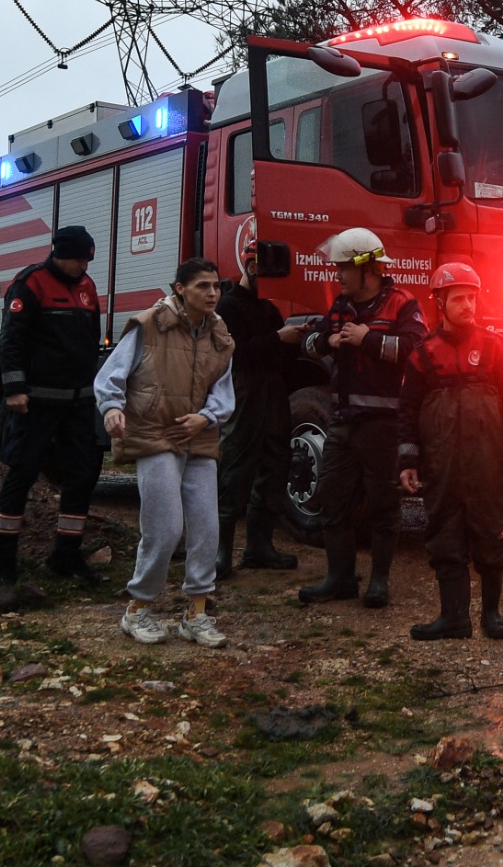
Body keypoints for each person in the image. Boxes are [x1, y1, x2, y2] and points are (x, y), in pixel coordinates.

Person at [94, 258, 236, 647]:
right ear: (180, 289)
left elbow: (224, 390)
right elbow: (111, 375)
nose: (212, 293)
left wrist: (206, 417)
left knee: (206, 528)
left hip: (199, 438)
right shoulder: (149, 325)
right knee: (165, 528)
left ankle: (196, 614)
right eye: (203, 286)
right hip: (156, 434)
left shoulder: (220, 334)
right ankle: (138, 608)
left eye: (216, 286)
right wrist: (112, 408)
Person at [292, 228, 425, 608]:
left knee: (383, 506)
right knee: (332, 501)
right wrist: (327, 341)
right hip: (342, 423)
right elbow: (310, 342)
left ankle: (379, 582)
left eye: (343, 268)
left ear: (367, 269)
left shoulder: (402, 304)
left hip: (382, 425)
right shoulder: (341, 306)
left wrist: (369, 339)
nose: (337, 275)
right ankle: (340, 579)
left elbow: (417, 351)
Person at [397, 261, 503, 640]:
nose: (468, 305)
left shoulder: (495, 347)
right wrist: (408, 460)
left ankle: (492, 616)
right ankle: (453, 618)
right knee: (445, 536)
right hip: (442, 466)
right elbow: (407, 411)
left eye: (472, 298)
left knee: (491, 533)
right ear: (440, 303)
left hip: (487, 464)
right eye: (459, 299)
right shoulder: (422, 354)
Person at [0, 224, 104, 585]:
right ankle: (3, 563)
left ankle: (66, 556)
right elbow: (12, 341)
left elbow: (91, 341)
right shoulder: (31, 283)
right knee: (22, 473)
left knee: (82, 475)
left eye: (87, 260)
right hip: (36, 403)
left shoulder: (87, 287)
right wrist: (14, 389)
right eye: (78, 260)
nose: (83, 266)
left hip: (78, 403)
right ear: (60, 254)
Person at [217, 240, 298, 572]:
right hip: (244, 390)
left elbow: (279, 354)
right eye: (265, 273)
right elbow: (235, 352)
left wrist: (299, 339)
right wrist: (279, 338)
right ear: (251, 268)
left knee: (276, 464)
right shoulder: (227, 306)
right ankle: (220, 553)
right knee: (236, 464)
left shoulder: (268, 309)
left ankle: (259, 548)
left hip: (272, 391)